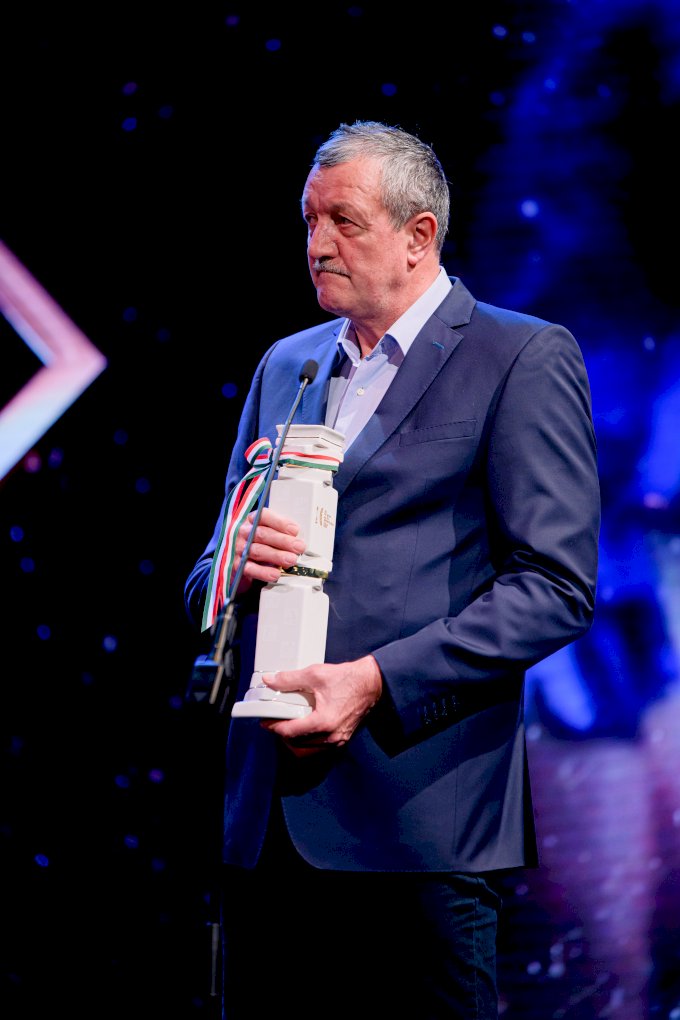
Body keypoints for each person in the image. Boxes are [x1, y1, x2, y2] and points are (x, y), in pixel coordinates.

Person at [184, 120, 601, 1019]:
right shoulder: (288, 364)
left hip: (418, 824)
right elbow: (209, 571)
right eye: (308, 221)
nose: (317, 244)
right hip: (268, 826)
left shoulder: (518, 356)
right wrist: (231, 566)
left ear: (420, 235)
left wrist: (374, 680)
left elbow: (555, 588)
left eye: (344, 221)